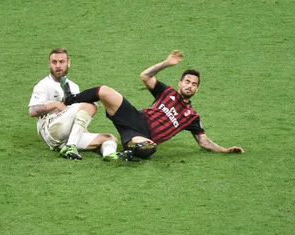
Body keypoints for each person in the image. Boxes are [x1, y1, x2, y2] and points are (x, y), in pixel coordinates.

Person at [63, 50, 244, 159]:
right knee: (104, 90)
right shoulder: (166, 92)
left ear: (197, 89)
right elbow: (145, 76)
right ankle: (68, 102)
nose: (190, 86)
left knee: (149, 147)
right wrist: (166, 63)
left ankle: (126, 154)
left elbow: (203, 142)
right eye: (187, 82)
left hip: (142, 135)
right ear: (180, 83)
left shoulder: (192, 117)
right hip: (135, 117)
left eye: (194, 84)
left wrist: (225, 150)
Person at [28, 48, 124, 161]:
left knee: (109, 138)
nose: (58, 65)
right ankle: (70, 147)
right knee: (91, 105)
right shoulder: (44, 84)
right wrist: (56, 105)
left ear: (69, 63)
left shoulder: (73, 86)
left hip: (67, 136)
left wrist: (85, 133)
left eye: (61, 62)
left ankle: (109, 155)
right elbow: (32, 111)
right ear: (49, 64)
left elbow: (79, 116)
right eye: (54, 62)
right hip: (51, 129)